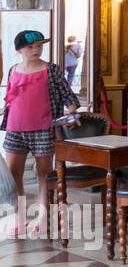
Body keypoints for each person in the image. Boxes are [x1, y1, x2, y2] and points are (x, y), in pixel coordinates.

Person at [2, 30, 80, 237]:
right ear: (19, 50)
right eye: (30, 47)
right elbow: (11, 98)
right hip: (15, 128)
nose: (36, 50)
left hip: (43, 129)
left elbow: (67, 94)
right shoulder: (13, 70)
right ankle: (18, 217)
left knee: (43, 174)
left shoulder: (51, 70)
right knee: (13, 174)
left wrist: (72, 114)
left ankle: (43, 217)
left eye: (39, 46)